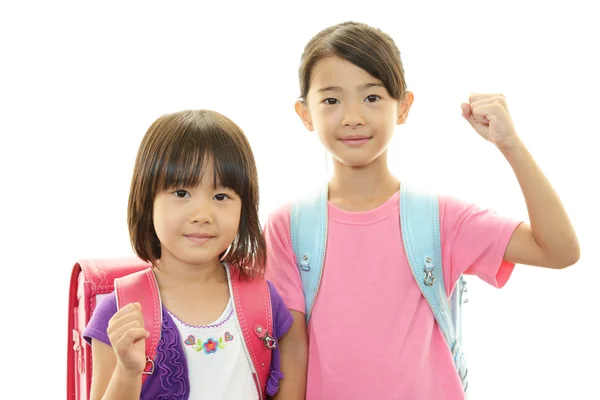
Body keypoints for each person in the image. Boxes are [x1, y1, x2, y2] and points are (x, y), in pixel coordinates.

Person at [263, 21, 580, 399]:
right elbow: (292, 348)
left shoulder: (439, 218)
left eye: (372, 97)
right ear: (305, 114)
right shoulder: (290, 225)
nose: (352, 117)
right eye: (331, 100)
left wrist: (510, 146)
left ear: (403, 106)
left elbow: (559, 250)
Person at [84, 109, 303, 399]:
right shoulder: (120, 310)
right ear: (147, 200)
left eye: (221, 196)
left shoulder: (263, 300)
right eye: (181, 193)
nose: (202, 215)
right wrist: (128, 370)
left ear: (244, 207)